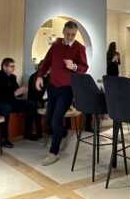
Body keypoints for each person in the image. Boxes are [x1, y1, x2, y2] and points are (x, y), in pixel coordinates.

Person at [35, 21, 89, 165]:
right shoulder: (56, 46)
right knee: (49, 120)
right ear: (63, 31)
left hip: (67, 89)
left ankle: (54, 153)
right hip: (52, 87)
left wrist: (74, 66)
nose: (70, 37)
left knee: (56, 119)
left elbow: (84, 67)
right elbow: (46, 62)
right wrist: (40, 76)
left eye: (73, 35)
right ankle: (62, 133)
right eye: (68, 34)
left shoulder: (79, 48)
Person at [0, 58, 35, 148]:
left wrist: (22, 91)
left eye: (14, 66)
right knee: (6, 108)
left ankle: (28, 133)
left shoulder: (13, 77)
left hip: (10, 101)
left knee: (30, 104)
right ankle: (4, 139)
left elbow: (16, 92)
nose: (14, 68)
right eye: (11, 66)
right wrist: (15, 93)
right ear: (4, 67)